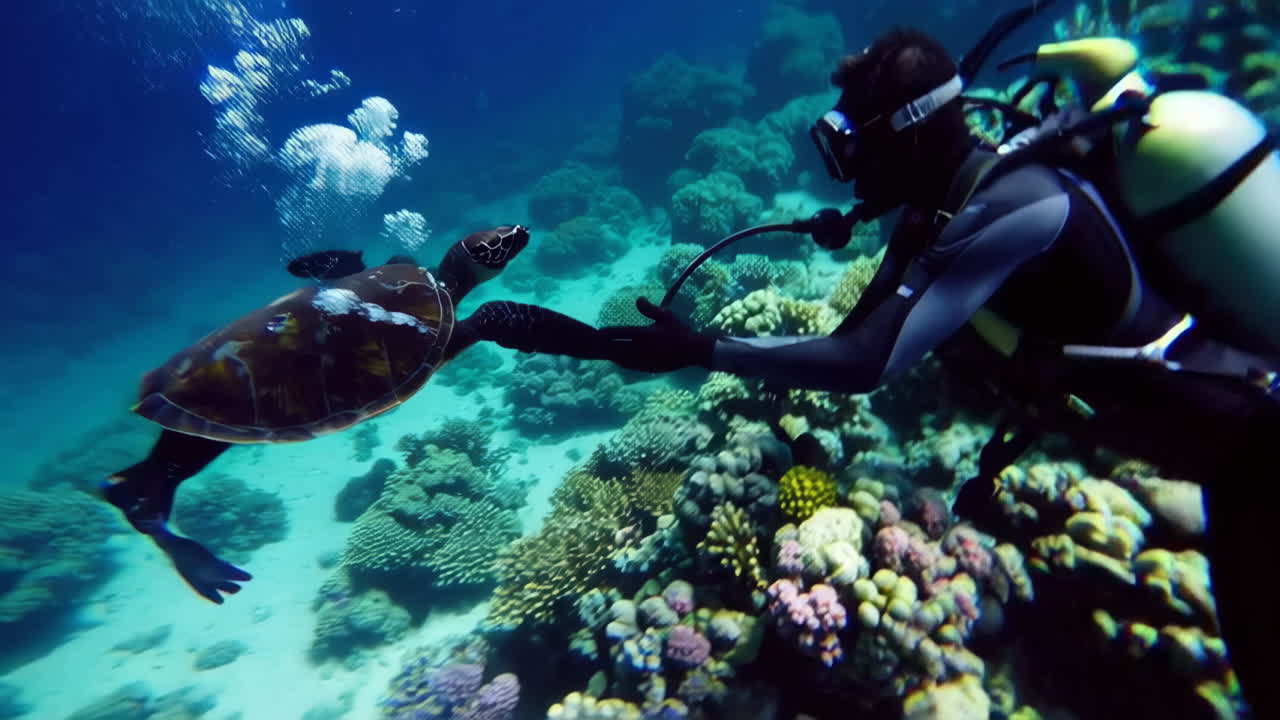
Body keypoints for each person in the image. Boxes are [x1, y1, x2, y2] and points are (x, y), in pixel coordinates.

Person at [598, 27, 1279, 716]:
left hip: (1251, 448)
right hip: (1208, 450)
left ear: (911, 136)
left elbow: (866, 362)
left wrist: (703, 350)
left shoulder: (1018, 205)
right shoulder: (938, 206)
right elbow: (857, 335)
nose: (849, 168)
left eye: (851, 144)